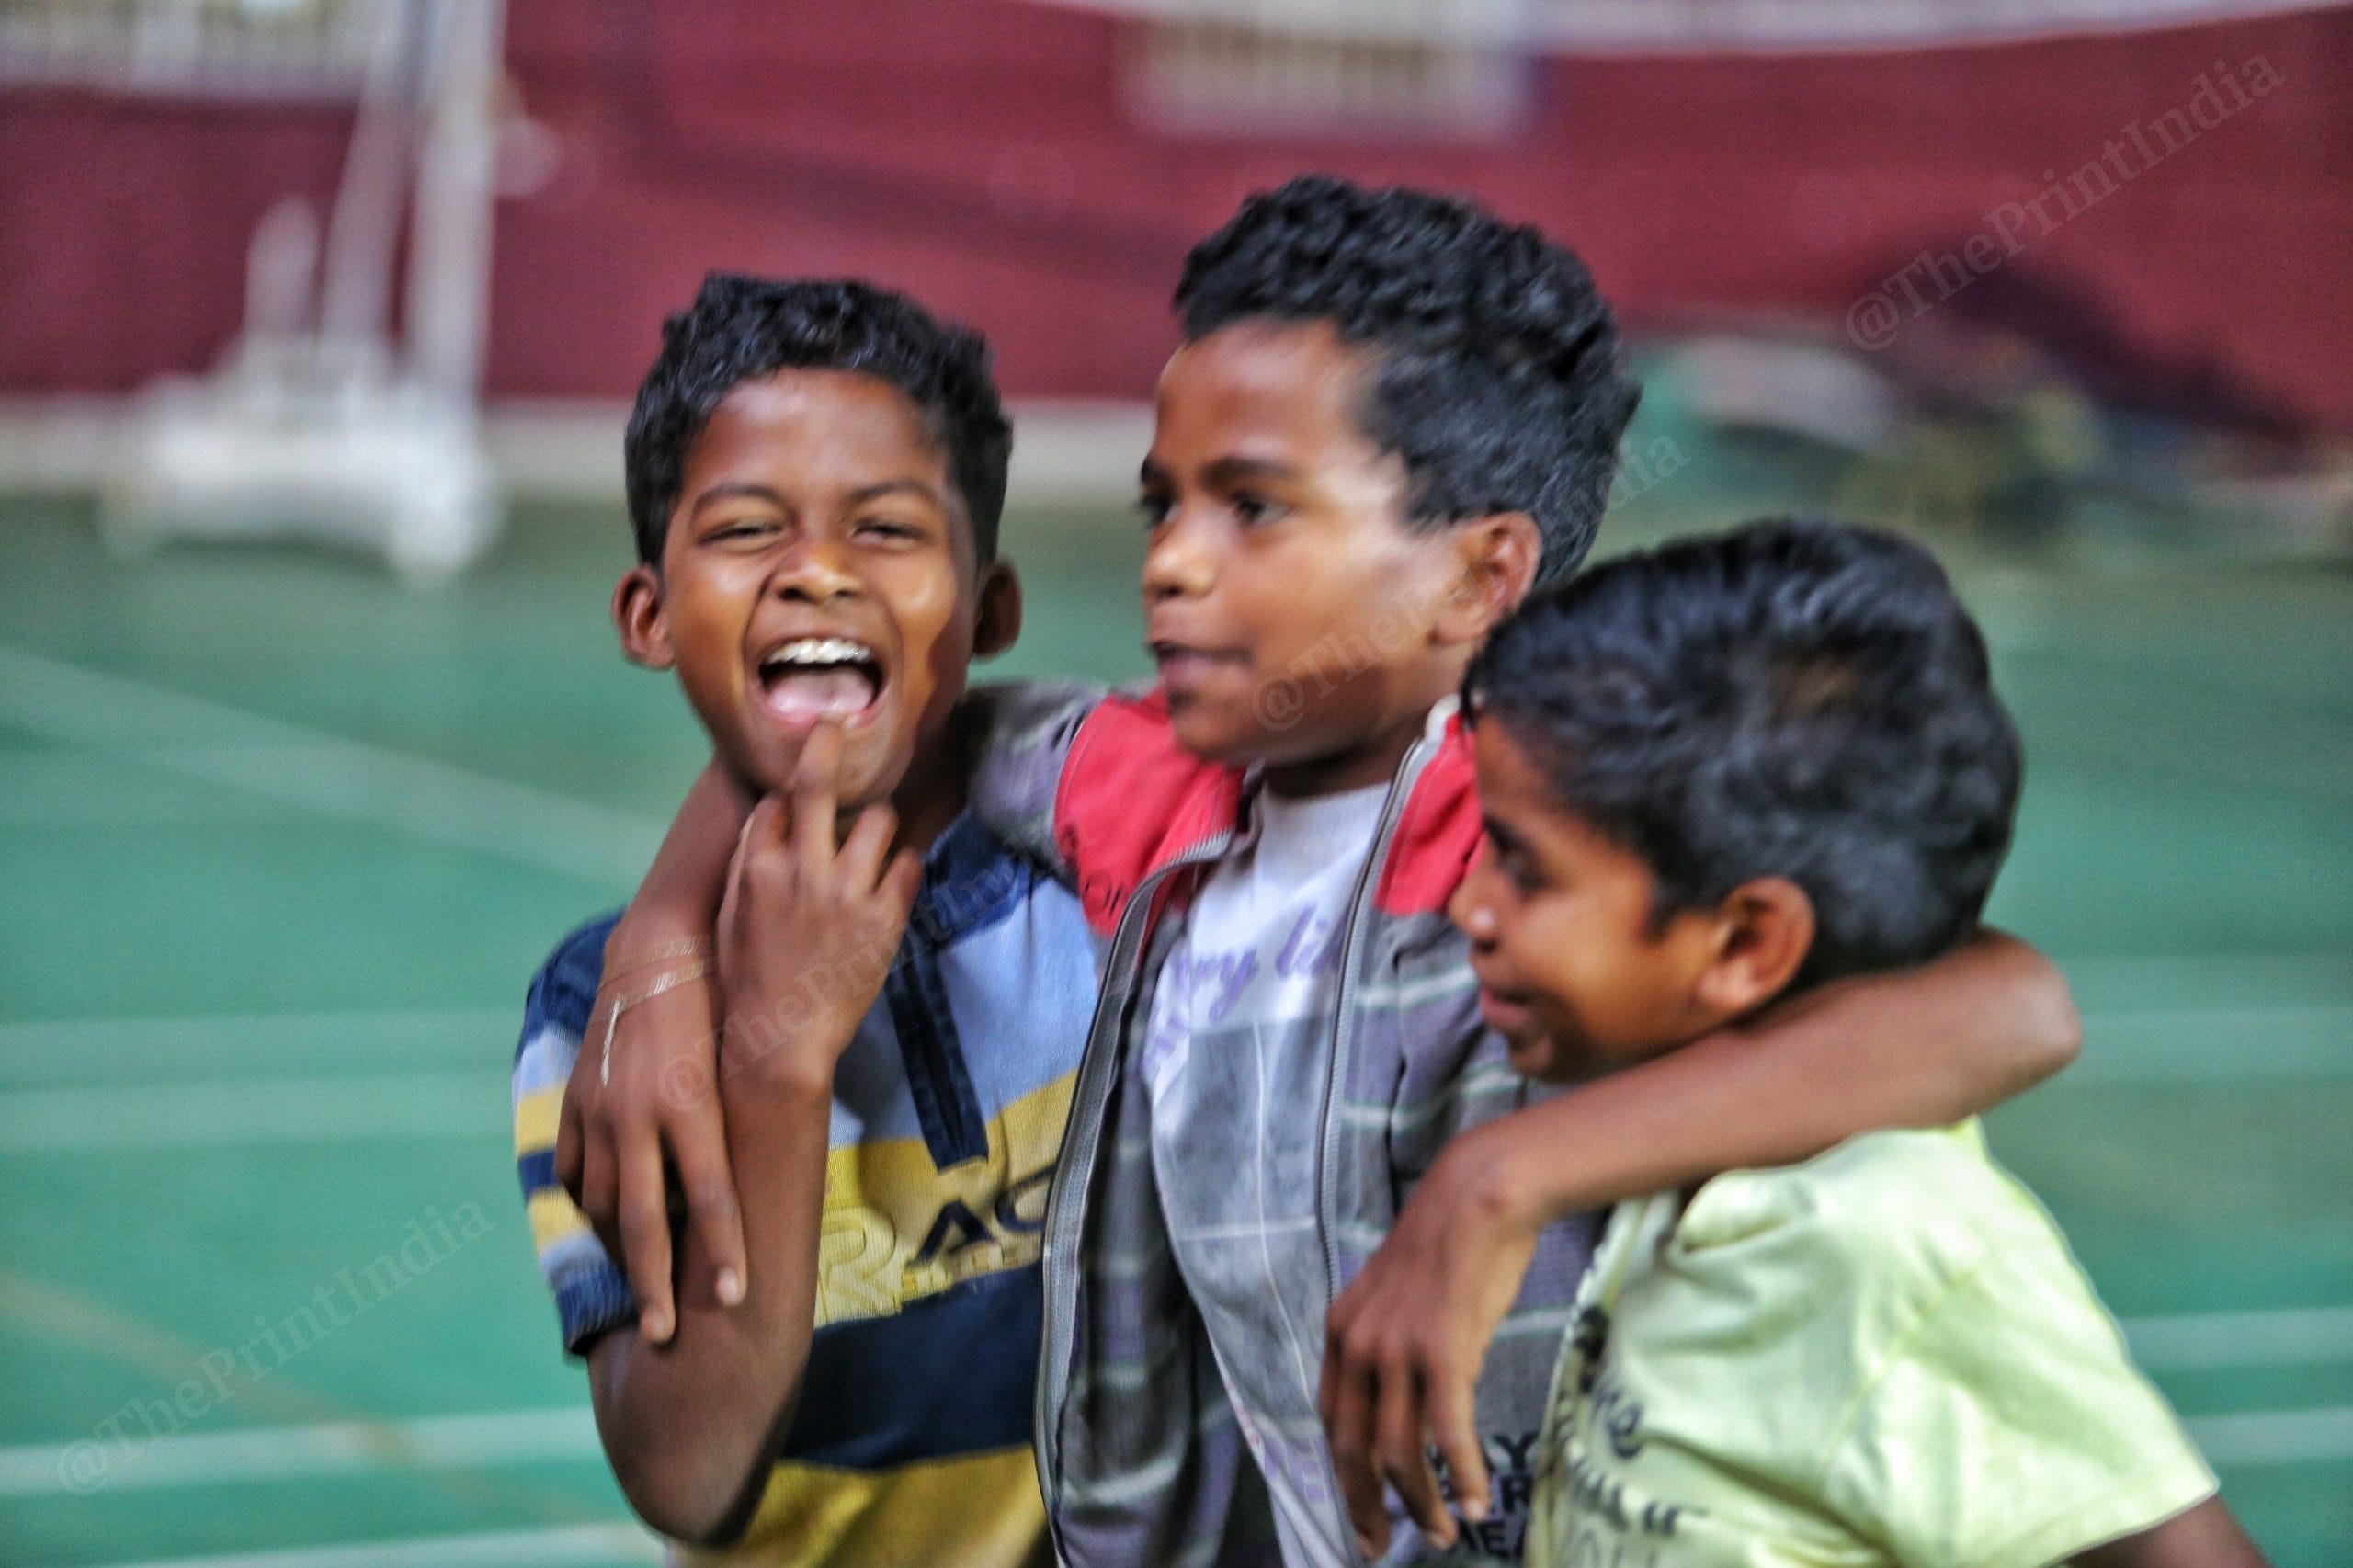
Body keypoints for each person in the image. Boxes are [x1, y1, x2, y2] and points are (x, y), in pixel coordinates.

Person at [573, 178, 2083, 1565]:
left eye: (1255, 507)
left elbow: (2006, 1010)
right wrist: (660, 937)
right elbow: (899, 713)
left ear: (1481, 574)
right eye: (1166, 502)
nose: (1170, 559)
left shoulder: (1556, 838)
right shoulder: (1150, 787)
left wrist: (1503, 1180)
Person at [1450, 517, 2265, 1568]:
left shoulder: (1894, 1236)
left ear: (1746, 940)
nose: (1468, 905)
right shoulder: (1678, 1162)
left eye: (1522, 867)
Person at [510, 273, 1097, 1564]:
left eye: (885, 529)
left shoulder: (1114, 903)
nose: (818, 570)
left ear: (989, 609)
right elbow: (689, 1474)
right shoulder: (593, 1020)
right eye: (745, 529)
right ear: (648, 614)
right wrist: (776, 1061)